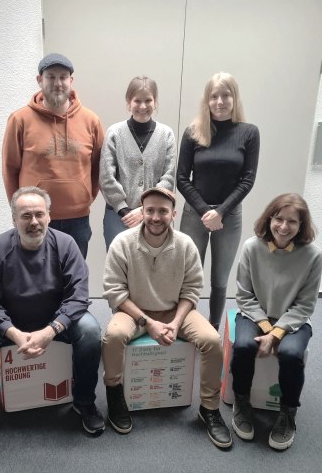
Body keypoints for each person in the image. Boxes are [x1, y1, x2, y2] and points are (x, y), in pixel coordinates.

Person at [0, 186, 104, 440]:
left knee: (90, 331)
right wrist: (12, 333)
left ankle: (84, 401)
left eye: (39, 214)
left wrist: (51, 330)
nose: (34, 222)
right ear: (14, 219)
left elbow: (78, 297)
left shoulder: (66, 245)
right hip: (8, 324)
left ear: (49, 215)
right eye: (26, 216)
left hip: (55, 321)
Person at [102, 186, 232, 449]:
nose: (155, 217)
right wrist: (147, 323)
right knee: (112, 336)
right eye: (150, 210)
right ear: (142, 212)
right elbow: (115, 291)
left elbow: (192, 289)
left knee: (211, 340)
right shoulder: (122, 243)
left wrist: (174, 322)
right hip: (134, 311)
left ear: (173, 214)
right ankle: (115, 393)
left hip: (176, 311)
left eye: (163, 211)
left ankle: (209, 408)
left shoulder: (185, 245)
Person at [231, 193, 322, 450]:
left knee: (293, 354)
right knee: (243, 347)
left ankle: (288, 412)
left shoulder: (313, 256)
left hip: (293, 320)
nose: (283, 227)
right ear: (269, 218)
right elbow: (244, 296)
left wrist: (278, 333)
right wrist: (267, 328)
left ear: (301, 225)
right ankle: (241, 401)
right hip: (254, 314)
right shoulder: (251, 247)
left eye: (292, 222)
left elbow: (305, 305)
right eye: (278, 218)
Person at [176, 72, 260, 330]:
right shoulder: (193, 132)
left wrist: (220, 212)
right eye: (214, 96)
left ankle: (212, 330)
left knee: (220, 280)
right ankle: (185, 326)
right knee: (188, 277)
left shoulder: (249, 133)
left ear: (235, 98)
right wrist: (205, 211)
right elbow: (181, 178)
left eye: (226, 95)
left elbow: (247, 180)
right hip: (194, 214)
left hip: (229, 216)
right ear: (207, 100)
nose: (220, 101)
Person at [2, 53, 104, 258]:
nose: (57, 83)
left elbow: (98, 168)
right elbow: (10, 168)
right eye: (51, 76)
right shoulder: (20, 120)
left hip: (78, 220)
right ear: (40, 80)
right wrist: (20, 209)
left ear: (71, 81)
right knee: (34, 277)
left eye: (63, 77)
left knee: (72, 278)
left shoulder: (90, 121)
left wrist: (83, 197)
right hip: (35, 219)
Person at [99, 75, 176, 250]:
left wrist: (144, 210)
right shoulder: (115, 133)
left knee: (152, 269)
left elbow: (168, 177)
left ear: (155, 102)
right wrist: (123, 209)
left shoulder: (166, 135)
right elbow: (106, 176)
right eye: (137, 101)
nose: (143, 106)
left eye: (148, 100)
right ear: (128, 102)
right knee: (119, 270)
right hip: (118, 217)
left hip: (154, 217)